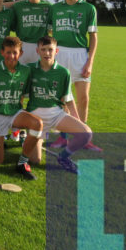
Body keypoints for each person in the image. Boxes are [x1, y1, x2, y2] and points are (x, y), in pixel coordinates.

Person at [47, 0, 100, 151]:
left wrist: (90, 61)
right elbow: (49, 34)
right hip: (60, 53)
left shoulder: (88, 8)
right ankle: (62, 137)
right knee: (62, 98)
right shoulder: (55, 9)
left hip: (79, 55)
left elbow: (93, 37)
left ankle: (83, 136)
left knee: (83, 98)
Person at [25, 36, 93, 173]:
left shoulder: (63, 72)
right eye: (43, 50)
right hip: (35, 118)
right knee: (35, 160)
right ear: (38, 51)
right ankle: (35, 139)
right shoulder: (29, 69)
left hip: (56, 114)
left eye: (50, 49)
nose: (47, 53)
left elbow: (68, 99)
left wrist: (78, 120)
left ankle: (63, 157)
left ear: (56, 51)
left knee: (86, 134)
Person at [0, 36, 42, 180]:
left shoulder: (26, 71)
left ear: (20, 53)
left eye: (15, 52)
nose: (11, 56)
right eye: (8, 52)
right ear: (2, 52)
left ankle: (22, 162)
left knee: (37, 123)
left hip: (15, 113)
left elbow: (23, 95)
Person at [11, 0, 51, 65]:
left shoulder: (49, 7)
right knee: (21, 77)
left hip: (41, 46)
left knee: (39, 77)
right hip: (22, 46)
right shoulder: (17, 6)